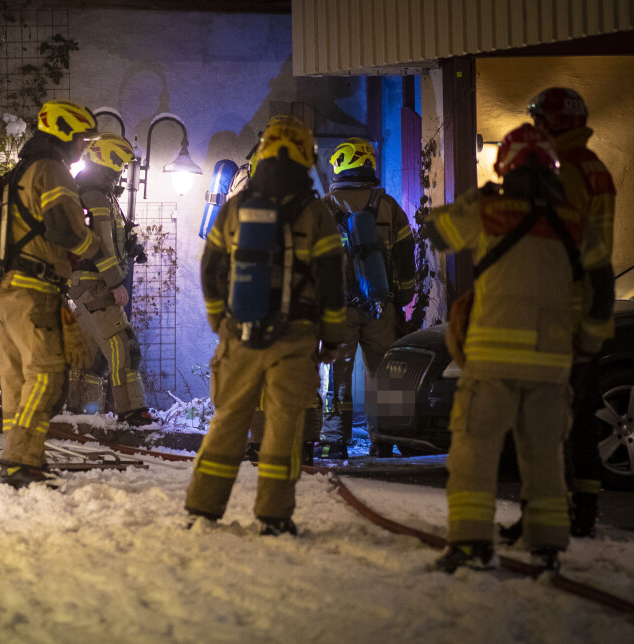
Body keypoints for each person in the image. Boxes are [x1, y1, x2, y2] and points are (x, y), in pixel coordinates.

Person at [425, 124, 613, 573]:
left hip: (491, 361)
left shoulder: (490, 211)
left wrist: (481, 194)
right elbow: (601, 287)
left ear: (506, 168)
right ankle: (547, 544)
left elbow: (436, 233)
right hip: (552, 363)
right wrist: (587, 342)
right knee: (544, 455)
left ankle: (471, 544)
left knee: (475, 451)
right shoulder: (575, 221)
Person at [184, 115, 346, 536]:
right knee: (284, 428)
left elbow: (211, 266)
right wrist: (330, 337)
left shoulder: (237, 206)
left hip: (240, 334)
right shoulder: (317, 212)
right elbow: (331, 279)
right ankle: (273, 516)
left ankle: (202, 510)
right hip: (295, 338)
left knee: (227, 422)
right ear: (307, 156)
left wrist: (220, 317)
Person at [0, 100, 127, 488]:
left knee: (17, 382)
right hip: (31, 290)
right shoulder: (52, 170)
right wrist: (94, 250)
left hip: (1, 291)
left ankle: (23, 459)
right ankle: (18, 460)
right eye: (81, 139)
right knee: (47, 376)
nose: (83, 147)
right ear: (64, 135)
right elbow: (65, 231)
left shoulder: (20, 171)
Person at [528, 87, 617, 537]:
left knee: (548, 421)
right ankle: (582, 511)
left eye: (539, 120)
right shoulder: (596, 168)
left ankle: (550, 515)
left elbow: (554, 244)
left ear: (553, 123)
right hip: (588, 312)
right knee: (580, 421)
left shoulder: (561, 172)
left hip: (560, 313)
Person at [319, 138, 416, 458]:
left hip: (340, 310)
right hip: (380, 306)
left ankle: (335, 442)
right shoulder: (388, 206)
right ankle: (386, 438)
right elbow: (405, 257)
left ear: (341, 165)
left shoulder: (325, 207)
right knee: (386, 374)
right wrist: (401, 296)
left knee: (339, 376)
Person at [66, 133, 159, 426]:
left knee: (89, 357)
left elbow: (109, 239)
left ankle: (81, 415)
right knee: (123, 344)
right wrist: (116, 282)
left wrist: (130, 246)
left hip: (83, 285)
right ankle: (132, 410)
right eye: (118, 160)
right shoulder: (95, 194)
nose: (121, 167)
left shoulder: (95, 191)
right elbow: (99, 246)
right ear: (104, 156)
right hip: (97, 285)